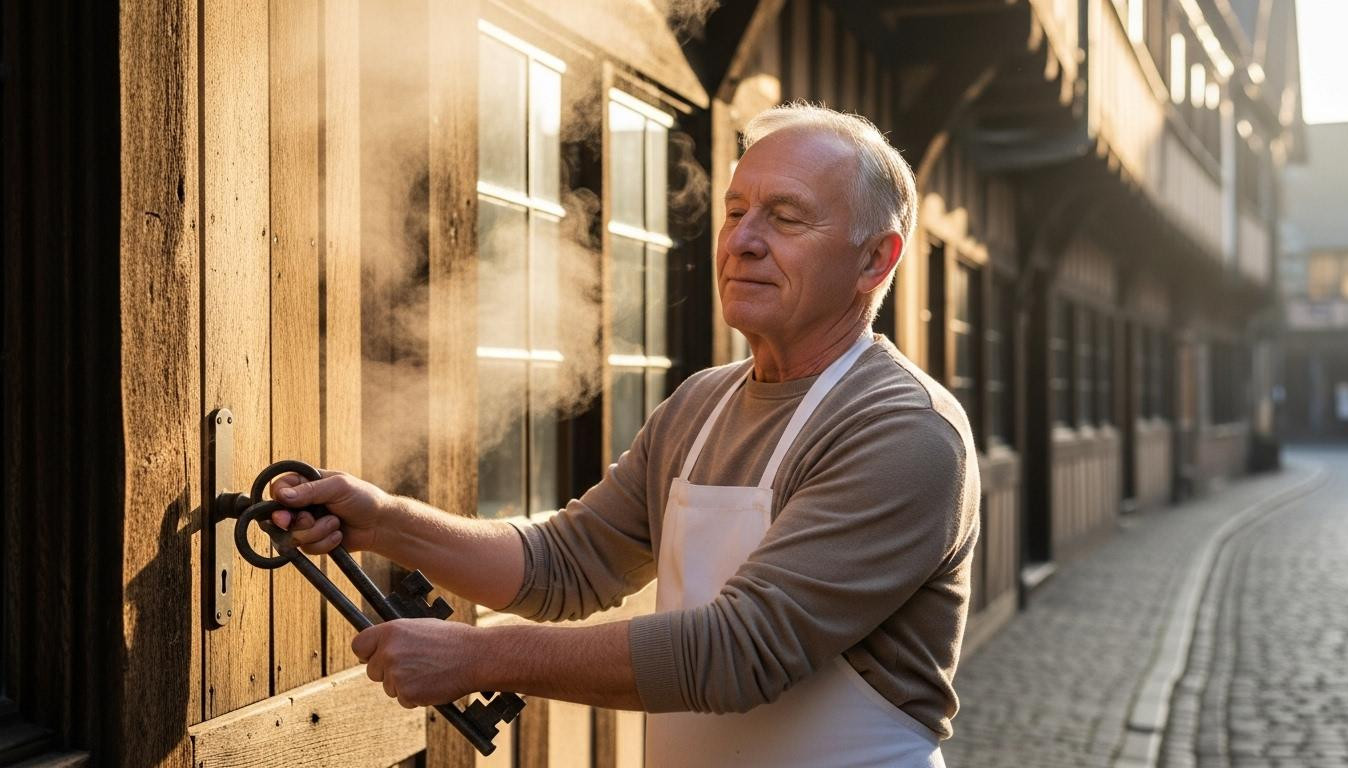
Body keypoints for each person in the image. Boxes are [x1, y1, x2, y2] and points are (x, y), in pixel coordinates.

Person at [272, 103, 980, 767]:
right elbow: (568, 563)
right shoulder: (701, 404)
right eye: (736, 212)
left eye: (786, 218)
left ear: (875, 260)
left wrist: (479, 657)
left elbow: (740, 651)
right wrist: (384, 522)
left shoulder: (905, 432)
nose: (743, 241)